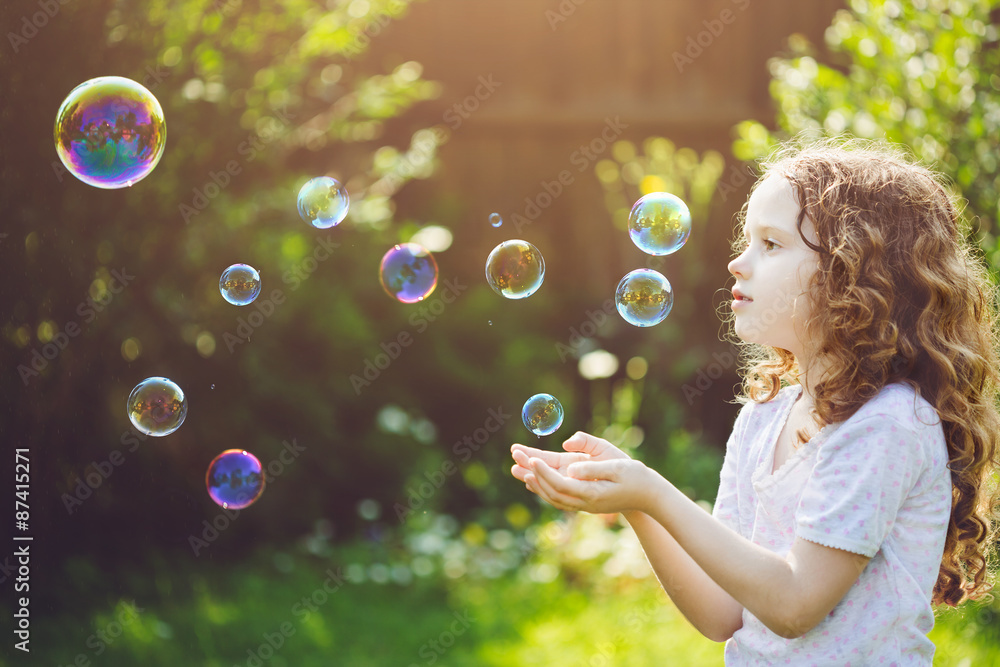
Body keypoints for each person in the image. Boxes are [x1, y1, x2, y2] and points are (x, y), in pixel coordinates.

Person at [510, 138, 1000, 664]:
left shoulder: (888, 423)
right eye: (748, 241)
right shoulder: (764, 418)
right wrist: (635, 504)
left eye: (771, 244)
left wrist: (652, 491)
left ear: (851, 274)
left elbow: (794, 605)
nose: (737, 264)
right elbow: (723, 612)